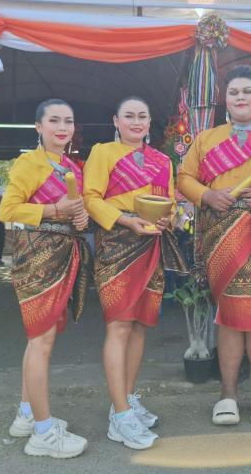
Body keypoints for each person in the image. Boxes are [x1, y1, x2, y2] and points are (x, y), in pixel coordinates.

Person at [177, 65, 251, 427]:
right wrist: (207, 195)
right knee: (228, 316)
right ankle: (227, 395)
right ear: (225, 100)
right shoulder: (206, 139)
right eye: (233, 92)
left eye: (247, 91)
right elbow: (184, 178)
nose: (240, 97)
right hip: (220, 235)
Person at [83, 96, 187, 451]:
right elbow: (91, 198)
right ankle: (121, 416)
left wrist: (169, 218)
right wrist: (127, 220)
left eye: (142, 116)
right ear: (116, 120)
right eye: (129, 116)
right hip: (117, 243)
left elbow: (169, 201)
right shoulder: (103, 153)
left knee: (140, 325)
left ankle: (125, 400)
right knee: (119, 325)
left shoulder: (162, 160)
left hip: (151, 244)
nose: (136, 121)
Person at [0, 99, 91, 459]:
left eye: (68, 121)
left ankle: (26, 414)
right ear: (39, 127)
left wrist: (79, 218)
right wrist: (55, 210)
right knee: (41, 342)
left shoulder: (73, 167)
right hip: (37, 256)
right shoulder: (29, 163)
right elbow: (8, 209)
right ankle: (42, 432)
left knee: (40, 339)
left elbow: (77, 212)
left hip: (64, 253)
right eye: (54, 121)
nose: (62, 127)